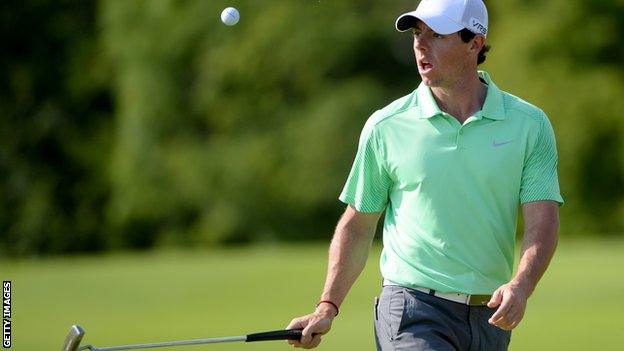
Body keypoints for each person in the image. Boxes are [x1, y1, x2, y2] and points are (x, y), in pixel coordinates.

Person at [287, 0, 563, 349]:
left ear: (475, 43)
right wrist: (327, 306)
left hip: (490, 317)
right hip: (413, 310)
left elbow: (543, 222)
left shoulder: (529, 125)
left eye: (436, 34)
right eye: (418, 33)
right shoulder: (386, 126)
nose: (420, 44)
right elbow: (358, 224)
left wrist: (522, 285)